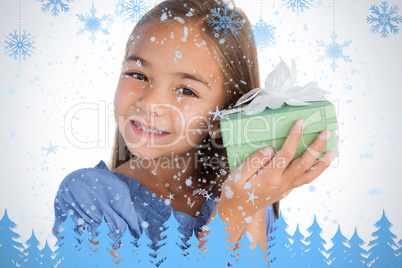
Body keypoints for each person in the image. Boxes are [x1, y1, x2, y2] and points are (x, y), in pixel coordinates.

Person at [52, 0, 337, 265]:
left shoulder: (247, 192)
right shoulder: (87, 195)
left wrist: (249, 203)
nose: (149, 102)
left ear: (220, 119)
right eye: (138, 75)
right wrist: (232, 212)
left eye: (186, 90)